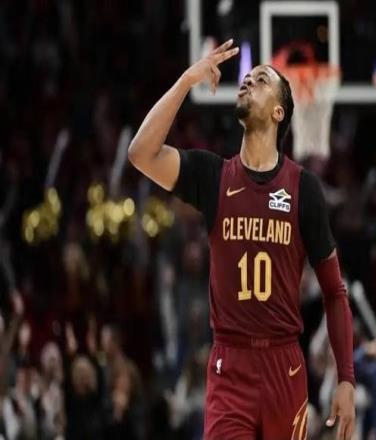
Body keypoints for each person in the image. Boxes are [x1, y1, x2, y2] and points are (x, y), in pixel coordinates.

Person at [128, 38, 355, 440]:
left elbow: (334, 292)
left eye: (261, 80)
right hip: (229, 364)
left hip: (284, 364)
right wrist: (186, 81)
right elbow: (141, 153)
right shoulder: (213, 176)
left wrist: (346, 379)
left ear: (279, 111)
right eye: (247, 78)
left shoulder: (304, 189)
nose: (248, 80)